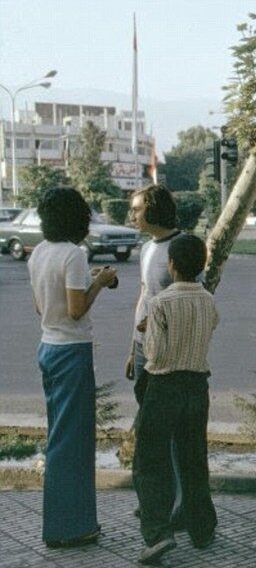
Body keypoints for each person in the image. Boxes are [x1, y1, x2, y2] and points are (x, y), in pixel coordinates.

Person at [29, 187, 117, 548]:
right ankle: (71, 527)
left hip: (47, 346)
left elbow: (41, 308)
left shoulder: (38, 253)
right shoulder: (74, 254)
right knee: (73, 441)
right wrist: (100, 281)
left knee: (59, 436)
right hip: (71, 351)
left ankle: (65, 523)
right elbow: (77, 310)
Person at [133, 233, 219, 565]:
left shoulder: (160, 303)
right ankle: (202, 527)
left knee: (150, 460)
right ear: (202, 265)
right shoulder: (208, 300)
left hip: (164, 384)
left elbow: (154, 352)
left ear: (171, 265)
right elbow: (212, 326)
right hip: (197, 384)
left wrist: (146, 332)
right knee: (193, 456)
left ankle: (157, 533)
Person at [126, 184, 184, 527]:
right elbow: (144, 294)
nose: (132, 215)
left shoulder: (180, 247)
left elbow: (191, 297)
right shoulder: (147, 248)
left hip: (167, 353)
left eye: (137, 209)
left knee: (170, 432)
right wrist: (131, 345)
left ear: (155, 209)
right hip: (142, 347)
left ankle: (174, 505)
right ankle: (154, 501)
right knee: (149, 430)